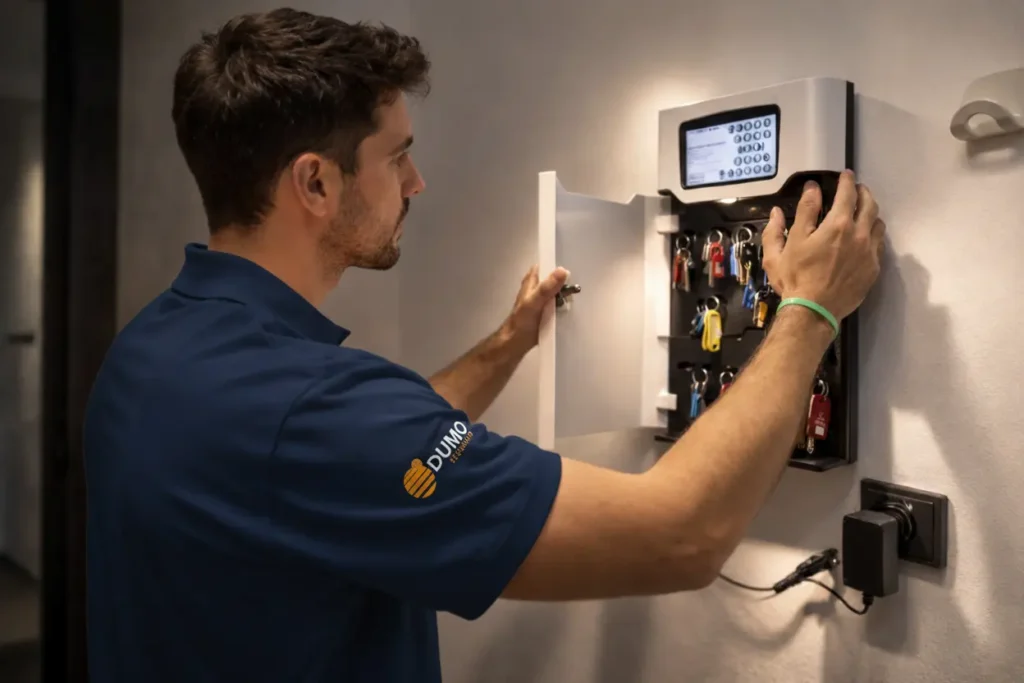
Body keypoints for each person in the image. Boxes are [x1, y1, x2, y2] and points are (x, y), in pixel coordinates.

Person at [83, 8, 886, 683]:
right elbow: (681, 534)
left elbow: (384, 463)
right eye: (397, 155)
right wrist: (811, 306)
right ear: (316, 184)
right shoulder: (312, 410)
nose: (416, 182)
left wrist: (511, 341)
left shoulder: (152, 349)